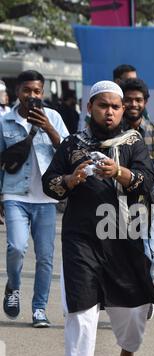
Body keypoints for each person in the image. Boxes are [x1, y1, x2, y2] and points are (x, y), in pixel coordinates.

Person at [42, 80, 154, 356]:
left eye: (115, 106)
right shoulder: (72, 144)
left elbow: (146, 181)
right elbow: (50, 183)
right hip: (81, 238)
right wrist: (70, 179)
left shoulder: (133, 142)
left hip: (124, 236)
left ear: (123, 110)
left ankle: (127, 355)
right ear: (90, 108)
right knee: (80, 306)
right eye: (102, 105)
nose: (109, 112)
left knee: (135, 309)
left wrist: (119, 172)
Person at [0, 70, 69, 327]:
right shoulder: (5, 121)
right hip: (14, 194)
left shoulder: (53, 117)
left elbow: (67, 150)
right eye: (27, 90)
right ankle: (14, 287)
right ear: (18, 91)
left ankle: (39, 308)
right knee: (17, 247)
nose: (32, 96)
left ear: (43, 92)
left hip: (47, 198)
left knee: (45, 257)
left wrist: (48, 128)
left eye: (37, 91)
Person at [121, 78, 154, 320]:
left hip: (152, 204)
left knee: (153, 255)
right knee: (129, 255)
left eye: (138, 100)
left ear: (145, 102)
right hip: (120, 205)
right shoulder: (115, 133)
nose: (133, 104)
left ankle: (148, 293)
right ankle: (134, 299)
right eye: (128, 100)